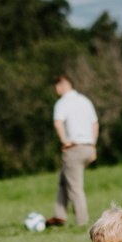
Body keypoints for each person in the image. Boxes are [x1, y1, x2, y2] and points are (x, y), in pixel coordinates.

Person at [47, 75, 98, 227]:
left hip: (73, 148)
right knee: (64, 180)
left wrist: (64, 140)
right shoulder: (85, 100)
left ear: (62, 85)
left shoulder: (62, 103)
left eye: (57, 86)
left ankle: (82, 221)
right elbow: (95, 124)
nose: (56, 90)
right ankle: (60, 215)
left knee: (75, 187)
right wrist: (93, 146)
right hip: (88, 147)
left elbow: (58, 123)